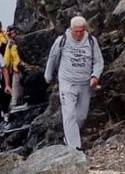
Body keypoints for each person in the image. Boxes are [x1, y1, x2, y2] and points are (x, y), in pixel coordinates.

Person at [44, 16, 104, 150]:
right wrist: (48, 75)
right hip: (67, 83)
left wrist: (95, 76)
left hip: (85, 84)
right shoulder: (62, 41)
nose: (78, 34)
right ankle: (75, 148)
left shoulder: (91, 41)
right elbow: (52, 58)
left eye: (81, 31)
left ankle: (69, 136)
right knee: (69, 113)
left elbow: (98, 61)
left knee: (81, 116)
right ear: (71, 29)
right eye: (76, 31)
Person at [2, 25, 24, 113]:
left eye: (13, 32)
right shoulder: (10, 44)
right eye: (10, 33)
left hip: (24, 69)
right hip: (17, 70)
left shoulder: (21, 41)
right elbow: (6, 59)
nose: (12, 35)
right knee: (15, 93)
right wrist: (4, 70)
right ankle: (13, 110)